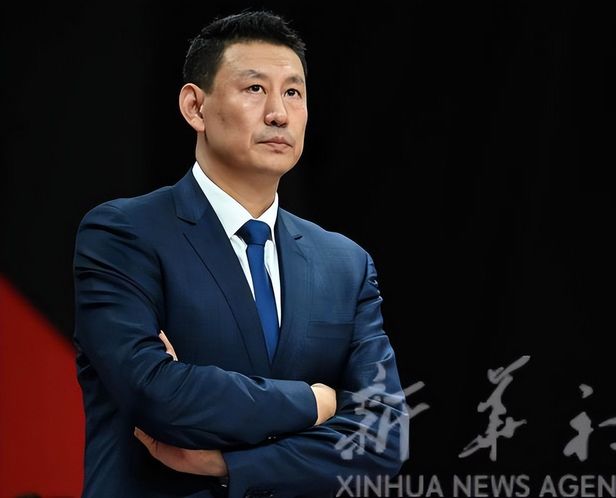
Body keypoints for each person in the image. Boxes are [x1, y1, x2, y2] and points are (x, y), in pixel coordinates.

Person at [73, 10, 406, 498]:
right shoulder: (124, 234)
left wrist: (227, 464)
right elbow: (156, 396)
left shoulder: (345, 264)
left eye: (293, 93)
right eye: (254, 89)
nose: (279, 114)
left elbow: (384, 438)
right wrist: (316, 402)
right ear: (195, 107)